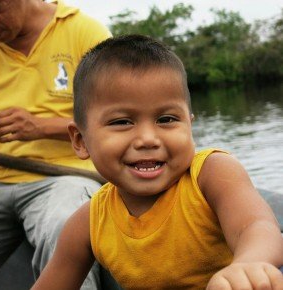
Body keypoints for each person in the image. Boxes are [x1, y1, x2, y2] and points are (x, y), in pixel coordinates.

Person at [32, 34, 283, 290]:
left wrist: (249, 264)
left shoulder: (211, 173)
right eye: (122, 122)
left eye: (166, 119)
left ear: (189, 125)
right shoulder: (88, 222)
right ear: (80, 141)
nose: (148, 139)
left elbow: (257, 226)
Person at [0, 0, 112, 289]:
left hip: (66, 177)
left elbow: (119, 118)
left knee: (65, 224)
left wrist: (39, 126)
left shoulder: (84, 32)